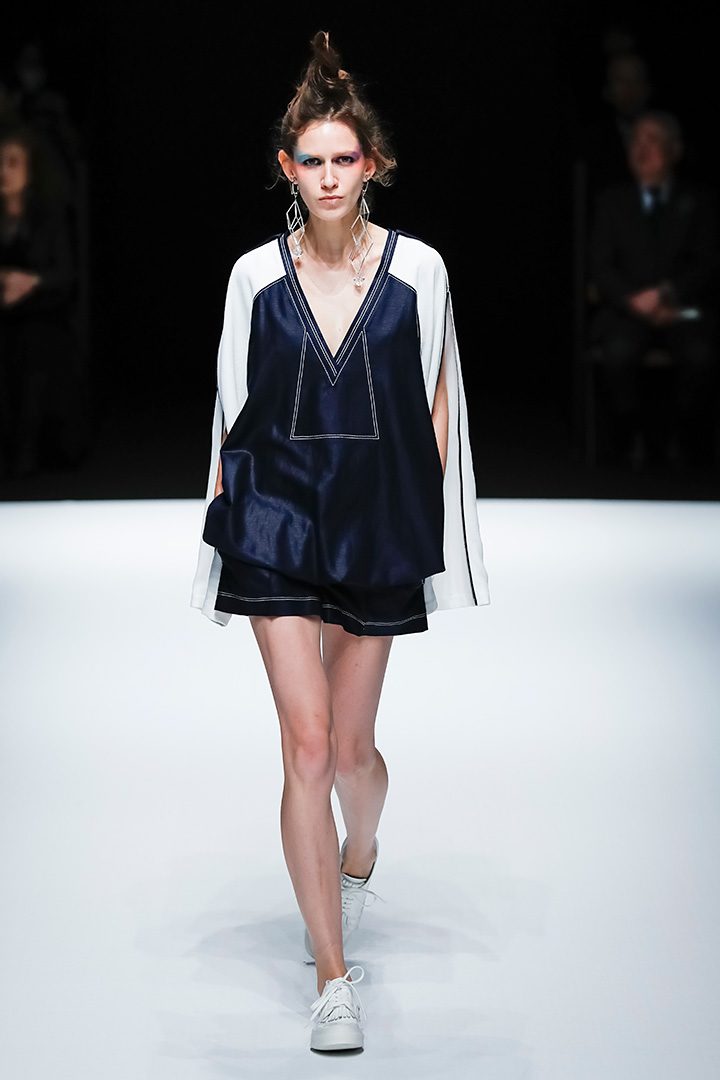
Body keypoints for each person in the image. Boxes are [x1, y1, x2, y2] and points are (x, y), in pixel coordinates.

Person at [190, 31, 490, 1052]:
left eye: (344, 158)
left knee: (355, 753)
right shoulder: (252, 277)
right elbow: (231, 408)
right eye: (310, 160)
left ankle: (360, 849)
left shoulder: (420, 270)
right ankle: (331, 977)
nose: (327, 176)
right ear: (289, 168)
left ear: (373, 165)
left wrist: (424, 518)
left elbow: (439, 401)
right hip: (275, 518)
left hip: (374, 522)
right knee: (308, 746)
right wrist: (223, 524)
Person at [587, 110, 718, 466]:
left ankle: (680, 437)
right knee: (617, 352)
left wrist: (665, 295)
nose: (642, 149)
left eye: (653, 141)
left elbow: (707, 262)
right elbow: (600, 266)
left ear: (675, 150)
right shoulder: (612, 201)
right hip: (626, 310)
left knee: (701, 353)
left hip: (682, 308)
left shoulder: (699, 201)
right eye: (636, 141)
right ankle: (632, 437)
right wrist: (634, 301)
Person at [0, 124, 77, 477]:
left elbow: (65, 274)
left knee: (36, 347)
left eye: (13, 162)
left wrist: (31, 282)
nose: (4, 171)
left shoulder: (47, 216)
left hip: (40, 317)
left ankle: (28, 451)